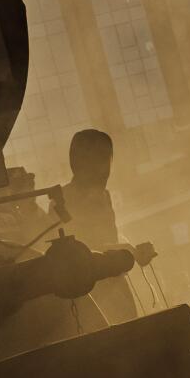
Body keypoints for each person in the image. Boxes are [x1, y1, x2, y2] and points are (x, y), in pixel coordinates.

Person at [58, 128, 138, 326]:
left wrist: (133, 249)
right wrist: (126, 251)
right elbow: (77, 252)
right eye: (100, 158)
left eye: (107, 158)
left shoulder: (105, 196)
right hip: (90, 294)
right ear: (79, 162)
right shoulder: (63, 201)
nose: (106, 167)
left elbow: (109, 237)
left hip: (115, 284)